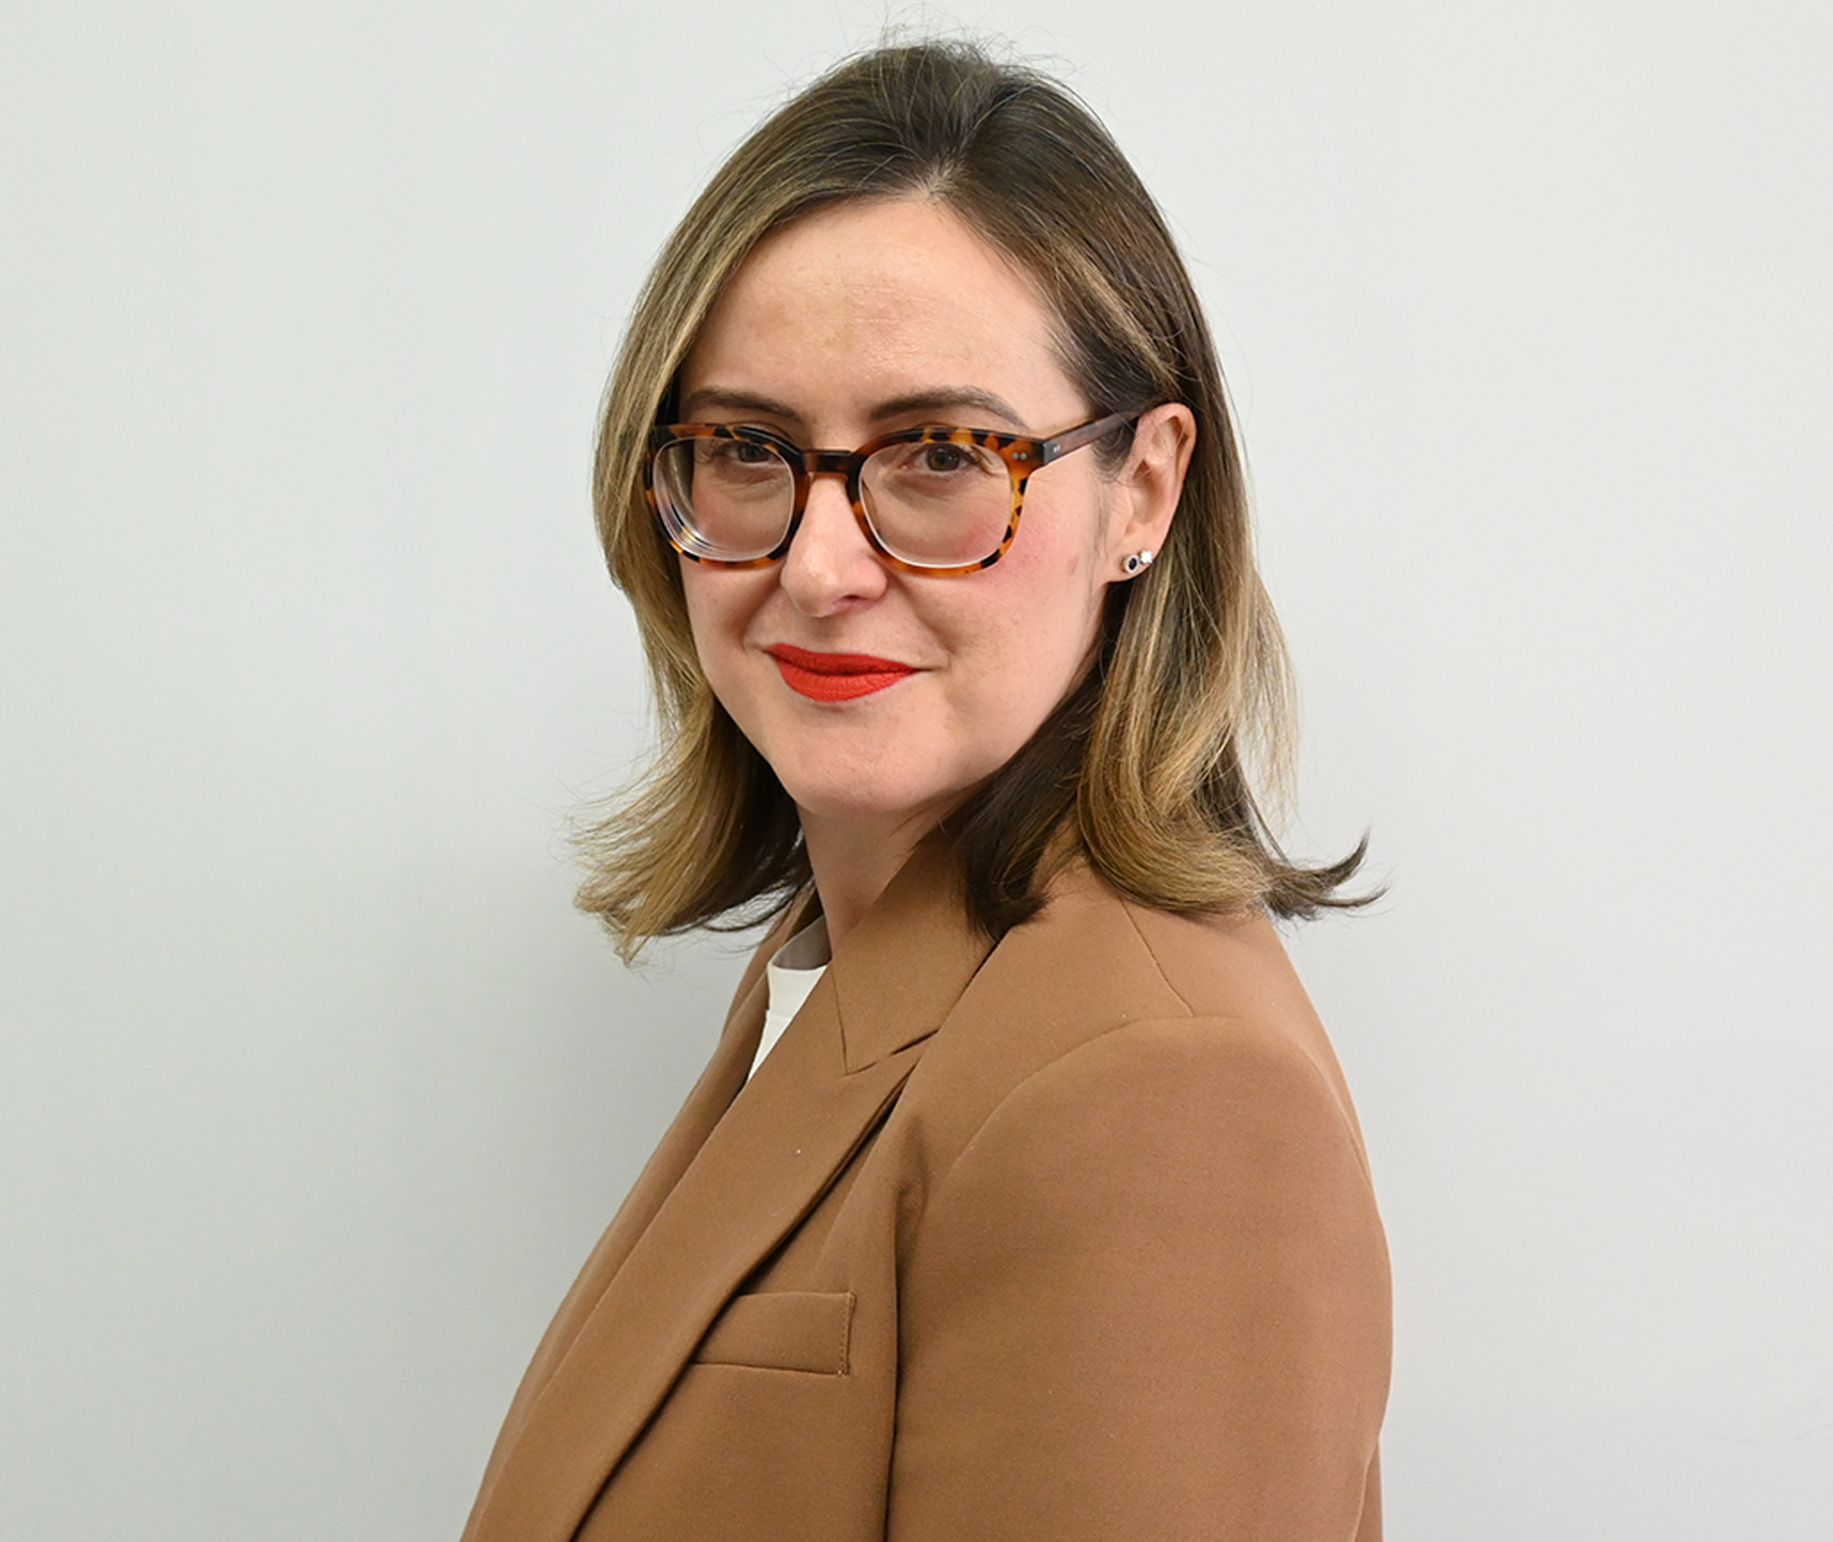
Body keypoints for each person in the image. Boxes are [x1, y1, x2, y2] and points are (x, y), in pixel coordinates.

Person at [462, 38, 1390, 1542]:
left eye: (944, 452)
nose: (820, 568)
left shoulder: (1154, 1088)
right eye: (751, 450)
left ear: (1141, 494)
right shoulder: (863, 957)